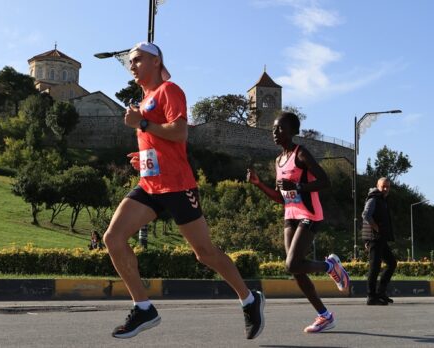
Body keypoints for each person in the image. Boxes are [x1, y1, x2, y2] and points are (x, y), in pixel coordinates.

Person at [103, 42, 264, 340]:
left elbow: (180, 132)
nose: (132, 65)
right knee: (112, 238)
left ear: (156, 62)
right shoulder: (146, 98)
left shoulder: (170, 90)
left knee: (204, 253)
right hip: (150, 185)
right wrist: (144, 158)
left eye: (138, 60)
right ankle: (143, 307)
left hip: (178, 185)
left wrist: (142, 122)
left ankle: (249, 298)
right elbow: (159, 141)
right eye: (130, 62)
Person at [246, 112, 350, 333]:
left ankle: (330, 266)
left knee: (292, 264)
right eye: (274, 129)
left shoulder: (301, 153)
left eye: (280, 128)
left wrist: (299, 187)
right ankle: (325, 316)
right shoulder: (278, 160)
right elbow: (279, 196)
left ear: (292, 131)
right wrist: (258, 184)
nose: (275, 132)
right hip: (290, 215)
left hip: (309, 215)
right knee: (296, 269)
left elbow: (325, 181)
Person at [361, 177, 398, 305]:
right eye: (383, 186)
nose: (386, 189)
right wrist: (375, 227)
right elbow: (365, 215)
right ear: (378, 186)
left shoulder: (382, 199)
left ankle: (381, 293)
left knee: (392, 263)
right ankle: (371, 297)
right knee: (375, 267)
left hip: (380, 238)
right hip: (374, 238)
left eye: (388, 186)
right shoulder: (374, 198)